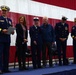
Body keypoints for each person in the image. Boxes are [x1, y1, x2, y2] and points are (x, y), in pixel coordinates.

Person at [0, 5, 14, 74]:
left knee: (6, 54)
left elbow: (11, 28)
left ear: (7, 12)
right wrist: (2, 30)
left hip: (7, 39)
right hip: (1, 39)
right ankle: (0, 69)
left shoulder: (10, 20)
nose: (4, 12)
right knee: (0, 54)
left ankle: (6, 68)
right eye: (3, 11)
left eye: (5, 11)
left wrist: (12, 31)